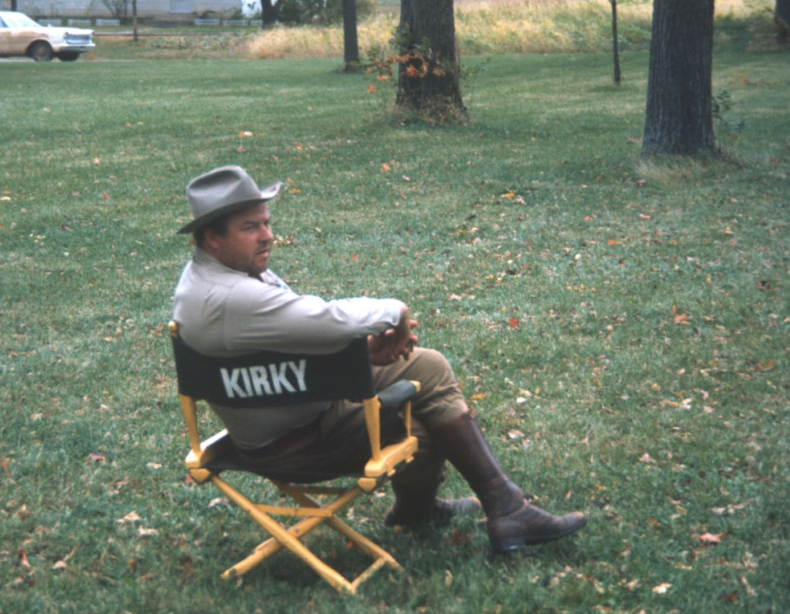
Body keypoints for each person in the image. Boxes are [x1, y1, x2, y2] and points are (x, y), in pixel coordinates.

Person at [171, 165, 587, 553]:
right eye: (250, 227)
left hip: (290, 400)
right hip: (296, 442)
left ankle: (485, 507)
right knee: (425, 425)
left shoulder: (211, 278)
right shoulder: (231, 298)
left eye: (266, 222)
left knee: (428, 367)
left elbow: (281, 341)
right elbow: (328, 319)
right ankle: (487, 510)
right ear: (212, 238)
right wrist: (396, 311)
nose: (267, 236)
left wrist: (364, 356)